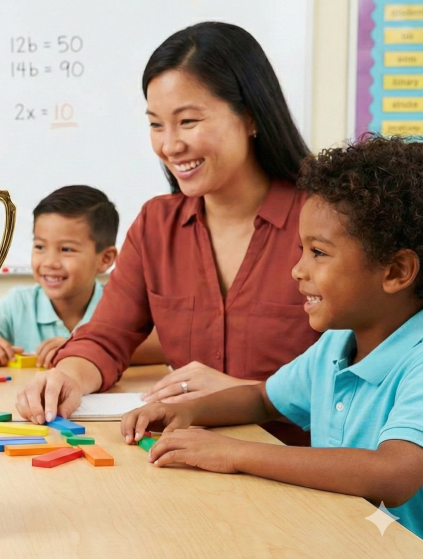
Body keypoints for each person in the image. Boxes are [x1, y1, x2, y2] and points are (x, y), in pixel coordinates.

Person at [17, 22, 319, 446]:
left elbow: (368, 378)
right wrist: (66, 378)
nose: (170, 145)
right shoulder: (158, 225)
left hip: (307, 472)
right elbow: (107, 336)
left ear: (250, 116)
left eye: (188, 121)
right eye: (157, 125)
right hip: (189, 462)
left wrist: (245, 395)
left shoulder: (325, 221)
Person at [122, 135, 423, 538]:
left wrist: (237, 453)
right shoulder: (337, 346)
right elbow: (263, 398)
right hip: (343, 538)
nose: (298, 270)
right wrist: (189, 412)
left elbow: (394, 473)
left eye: (318, 252)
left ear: (396, 272)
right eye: (301, 249)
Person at [0, 185, 163, 368]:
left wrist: (82, 348)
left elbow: (163, 347)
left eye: (66, 250)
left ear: (105, 259)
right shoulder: (20, 305)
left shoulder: (116, 306)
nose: (50, 263)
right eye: (40, 247)